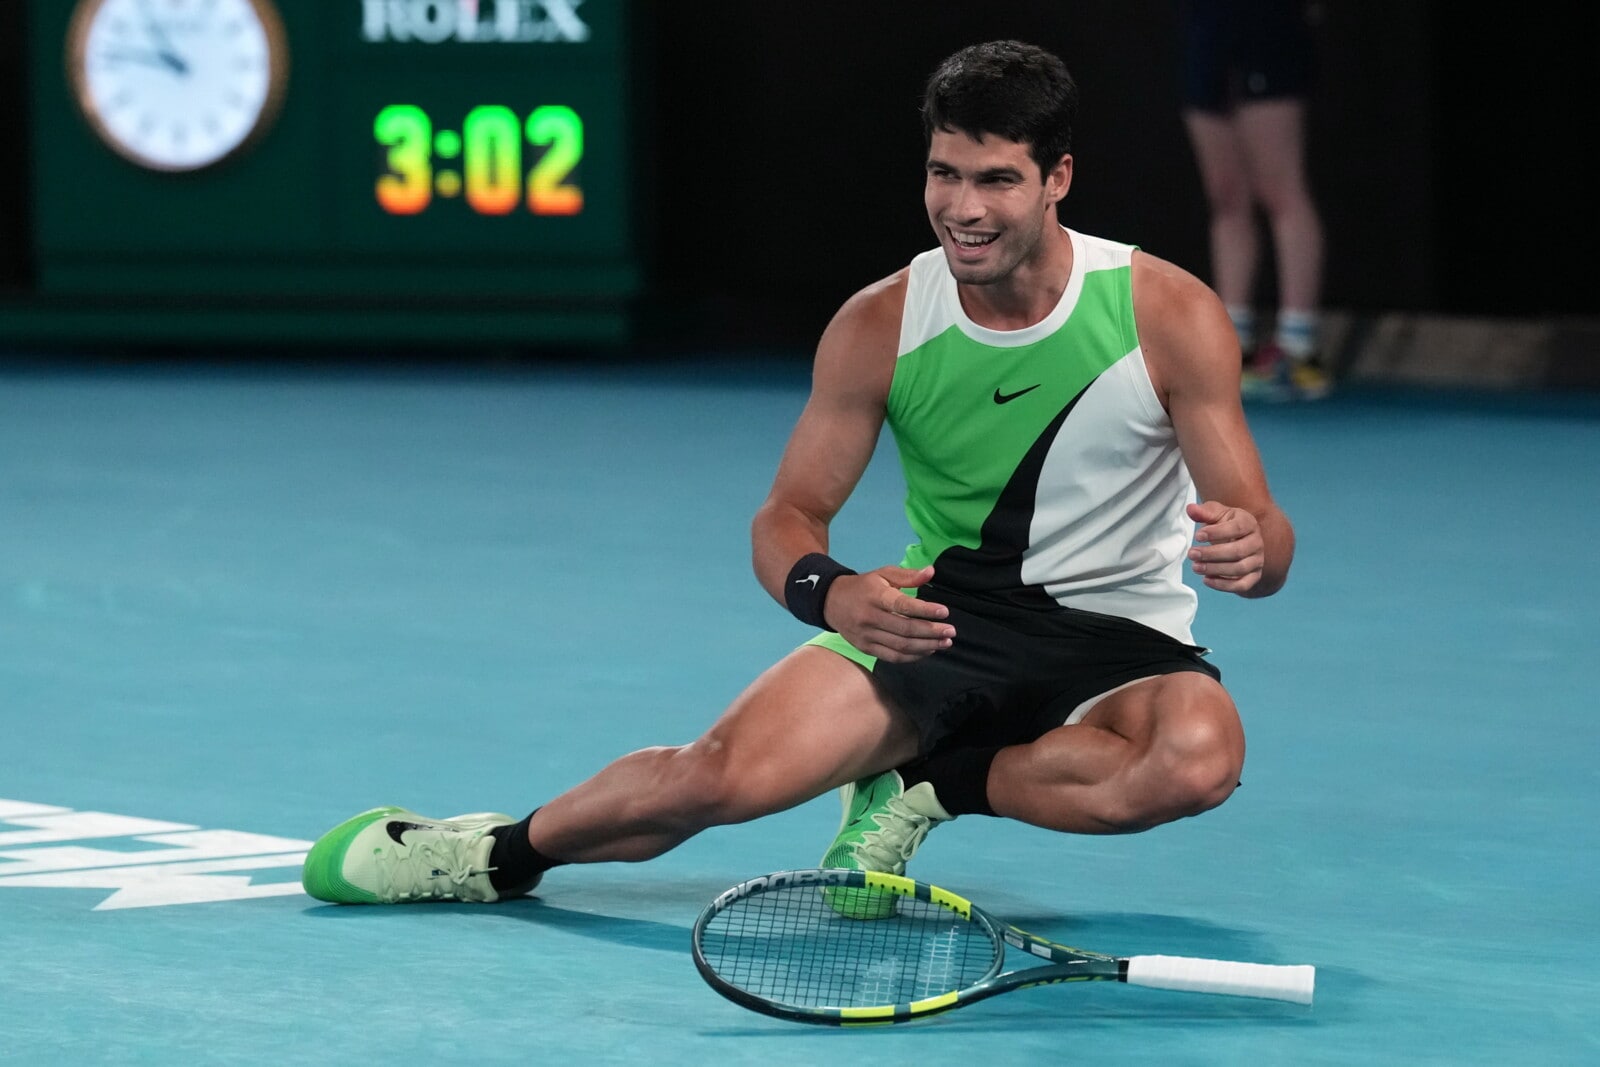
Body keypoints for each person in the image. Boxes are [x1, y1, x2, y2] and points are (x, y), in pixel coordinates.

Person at [300, 39, 1296, 909]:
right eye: (943, 174)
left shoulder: (1165, 312)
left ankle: (930, 786)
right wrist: (835, 596)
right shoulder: (880, 323)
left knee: (1195, 760)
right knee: (714, 779)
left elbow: (1264, 532)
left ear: (1057, 178)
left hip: (1118, 641)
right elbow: (787, 516)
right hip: (937, 623)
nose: (962, 208)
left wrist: (1254, 551)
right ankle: (485, 855)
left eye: (995, 179)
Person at [1178, 0, 1330, 400]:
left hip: (1266, 31)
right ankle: (1233, 344)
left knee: (1281, 192)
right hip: (1207, 31)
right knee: (1226, 198)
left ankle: (1299, 349)